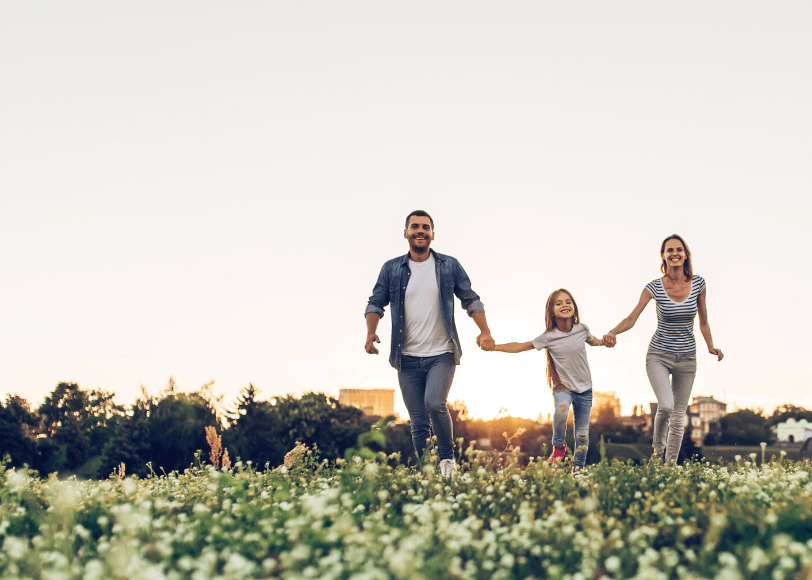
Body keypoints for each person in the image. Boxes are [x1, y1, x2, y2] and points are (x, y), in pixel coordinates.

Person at [364, 210, 495, 476]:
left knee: (435, 403)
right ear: (405, 233)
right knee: (418, 422)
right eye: (414, 226)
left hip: (442, 353)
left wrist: (485, 331)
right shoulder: (392, 268)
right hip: (406, 357)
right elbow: (375, 302)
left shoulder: (449, 265)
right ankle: (425, 470)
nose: (420, 230)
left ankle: (447, 462)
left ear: (433, 234)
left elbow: (470, 299)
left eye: (425, 227)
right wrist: (370, 333)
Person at [603, 234, 723, 465]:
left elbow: (704, 322)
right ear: (663, 256)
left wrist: (710, 346)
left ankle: (669, 467)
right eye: (669, 250)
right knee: (666, 406)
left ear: (686, 254)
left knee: (679, 418)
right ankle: (657, 451)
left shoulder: (699, 284)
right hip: (659, 355)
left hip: (687, 359)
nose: (675, 253)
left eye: (679, 249)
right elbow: (632, 317)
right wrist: (613, 332)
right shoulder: (653, 287)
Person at [482, 288, 609, 474]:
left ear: (574, 306)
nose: (565, 305)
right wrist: (495, 347)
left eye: (568, 301)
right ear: (551, 312)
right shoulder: (548, 337)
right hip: (563, 387)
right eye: (559, 303)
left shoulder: (582, 329)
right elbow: (520, 346)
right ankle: (558, 447)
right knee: (561, 410)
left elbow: (595, 341)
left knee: (582, 434)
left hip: (585, 390)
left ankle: (578, 469)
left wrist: (607, 340)